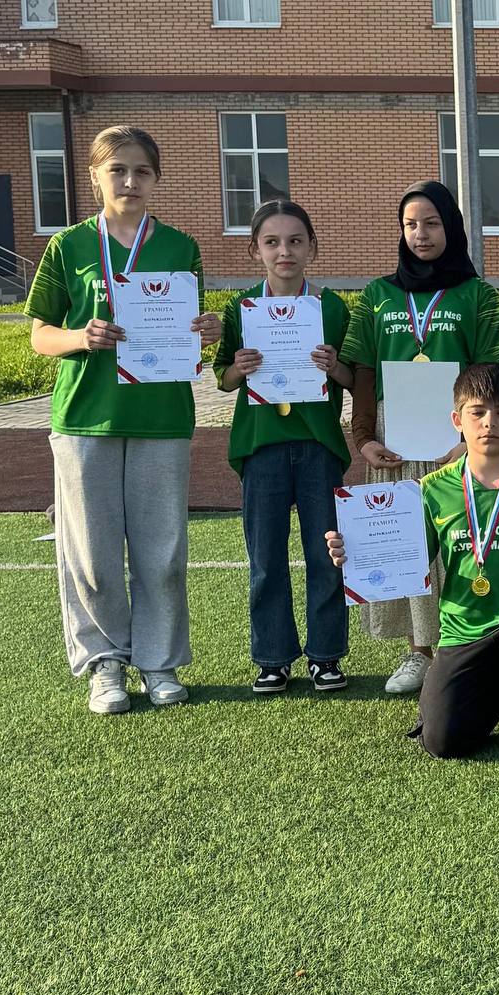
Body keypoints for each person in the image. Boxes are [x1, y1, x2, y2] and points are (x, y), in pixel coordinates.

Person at [26, 123, 221, 713]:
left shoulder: (181, 247)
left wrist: (206, 330)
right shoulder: (67, 246)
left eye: (141, 171)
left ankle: (159, 662)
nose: (129, 181)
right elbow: (39, 335)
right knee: (92, 553)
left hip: (161, 416)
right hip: (85, 418)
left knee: (163, 553)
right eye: (117, 169)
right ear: (95, 176)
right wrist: (78, 337)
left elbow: (187, 330)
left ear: (156, 179)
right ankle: (105, 663)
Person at [329, 363, 499, 758]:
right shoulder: (431, 489)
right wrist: (356, 552)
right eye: (477, 412)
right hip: (466, 629)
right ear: (457, 421)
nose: (489, 423)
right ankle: (495, 692)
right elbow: (406, 557)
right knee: (444, 742)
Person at [341, 182, 499, 699]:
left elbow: (494, 373)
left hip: (459, 439)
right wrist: (363, 439)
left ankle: (472, 645)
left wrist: (469, 441)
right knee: (406, 541)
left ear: (451, 228)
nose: (421, 234)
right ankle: (418, 650)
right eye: (410, 225)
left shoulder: (478, 295)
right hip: (394, 442)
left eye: (432, 223)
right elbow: (363, 372)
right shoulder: (377, 295)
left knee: (465, 541)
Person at [212, 198, 355, 696]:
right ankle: (272, 658)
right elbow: (223, 379)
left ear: (312, 247)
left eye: (295, 241)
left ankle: (325, 655)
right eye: (271, 242)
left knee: (326, 554)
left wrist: (334, 365)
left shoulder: (332, 307)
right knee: (266, 557)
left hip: (318, 445)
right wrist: (239, 368)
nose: (284, 251)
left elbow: (353, 377)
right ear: (255, 250)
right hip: (262, 445)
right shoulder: (241, 307)